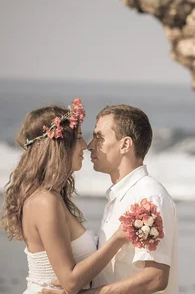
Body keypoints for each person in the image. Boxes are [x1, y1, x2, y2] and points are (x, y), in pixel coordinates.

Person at [44, 105, 179, 294]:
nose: (90, 145)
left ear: (125, 145)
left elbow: (155, 277)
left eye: (99, 137)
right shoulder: (120, 196)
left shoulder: (148, 197)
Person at [1, 100, 128, 294]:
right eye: (78, 137)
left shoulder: (51, 196)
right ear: (60, 145)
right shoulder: (45, 201)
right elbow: (70, 281)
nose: (85, 145)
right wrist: (118, 239)